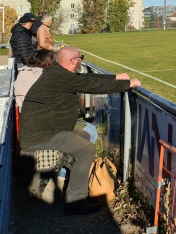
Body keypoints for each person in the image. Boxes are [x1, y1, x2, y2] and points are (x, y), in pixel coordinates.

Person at [19, 46, 141, 215]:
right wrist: (128, 84)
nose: (81, 60)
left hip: (46, 129)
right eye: (80, 57)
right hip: (43, 134)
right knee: (86, 150)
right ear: (73, 61)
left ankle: (71, 178)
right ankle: (75, 202)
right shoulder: (61, 77)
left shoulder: (56, 72)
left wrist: (116, 77)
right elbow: (91, 85)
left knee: (85, 134)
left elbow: (85, 78)